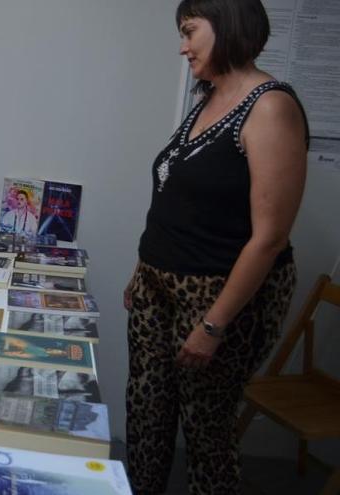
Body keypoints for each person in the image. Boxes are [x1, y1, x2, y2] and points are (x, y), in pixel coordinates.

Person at [124, 1, 309, 494]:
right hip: (158, 282)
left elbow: (269, 236)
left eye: (189, 32)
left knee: (207, 430)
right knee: (147, 411)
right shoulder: (207, 98)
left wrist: (213, 325)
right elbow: (177, 197)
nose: (182, 46)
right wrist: (144, 269)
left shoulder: (271, 105)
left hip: (217, 295)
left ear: (227, 26)